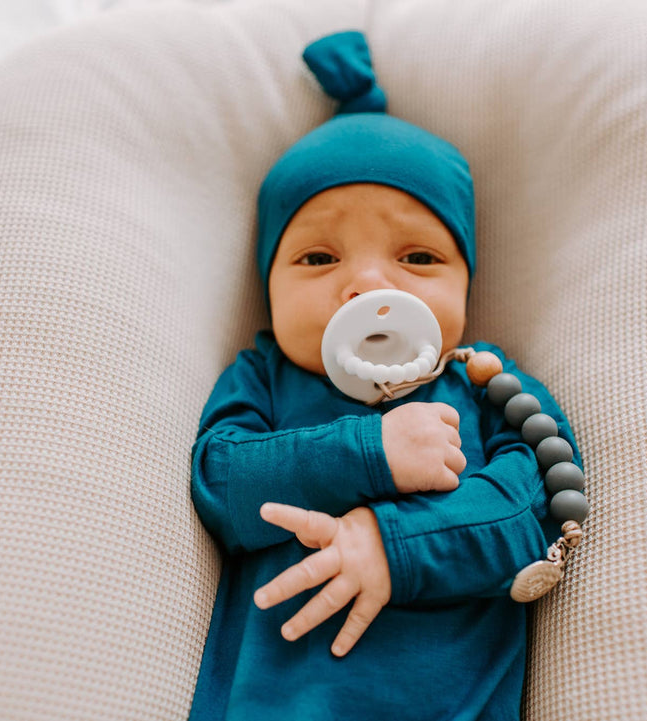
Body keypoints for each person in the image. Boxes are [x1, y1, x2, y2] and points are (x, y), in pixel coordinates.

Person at [188, 30, 581, 721]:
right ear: (268, 286)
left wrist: (390, 543)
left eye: (419, 258)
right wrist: (369, 452)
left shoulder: (484, 384)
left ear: (467, 283)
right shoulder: (266, 377)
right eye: (317, 259)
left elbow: (535, 505)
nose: (368, 282)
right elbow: (221, 483)